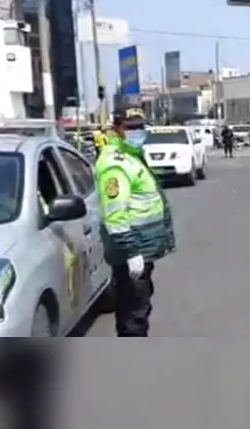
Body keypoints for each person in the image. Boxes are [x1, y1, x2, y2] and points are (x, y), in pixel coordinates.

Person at [94, 114, 176, 336]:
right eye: (130, 127)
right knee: (133, 314)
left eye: (140, 126)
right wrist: (131, 251)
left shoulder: (131, 155)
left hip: (141, 248)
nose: (137, 132)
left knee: (139, 305)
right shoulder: (115, 164)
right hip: (132, 250)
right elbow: (115, 214)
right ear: (117, 128)